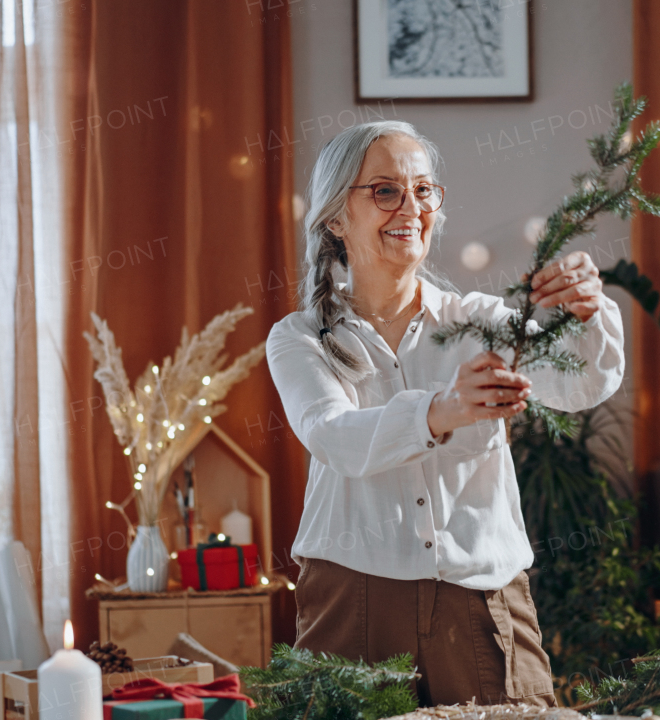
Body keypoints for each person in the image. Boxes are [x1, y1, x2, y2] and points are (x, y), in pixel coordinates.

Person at [266, 120, 624, 708]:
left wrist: (590, 310)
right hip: (350, 597)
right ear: (336, 218)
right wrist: (443, 410)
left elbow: (579, 381)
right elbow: (333, 435)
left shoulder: (481, 321)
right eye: (385, 190)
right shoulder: (300, 337)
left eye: (424, 189)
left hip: (479, 596)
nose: (411, 207)